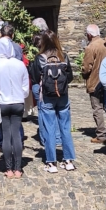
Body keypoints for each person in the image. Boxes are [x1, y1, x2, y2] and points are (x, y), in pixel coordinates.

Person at [29, 32, 76, 173]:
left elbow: (35, 78)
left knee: (49, 128)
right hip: (63, 96)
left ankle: (51, 163)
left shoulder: (40, 58)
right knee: (65, 128)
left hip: (47, 97)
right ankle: (68, 161)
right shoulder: (64, 56)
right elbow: (70, 77)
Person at [0, 38, 29, 178]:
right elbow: (25, 88)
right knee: (16, 135)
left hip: (2, 103)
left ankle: (9, 169)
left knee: (5, 135)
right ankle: (18, 168)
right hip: (17, 102)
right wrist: (19, 95)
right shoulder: (20, 64)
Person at [80, 24, 106, 144]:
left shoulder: (90, 47)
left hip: (95, 81)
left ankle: (101, 134)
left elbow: (87, 67)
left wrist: (83, 72)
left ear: (89, 34)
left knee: (97, 108)